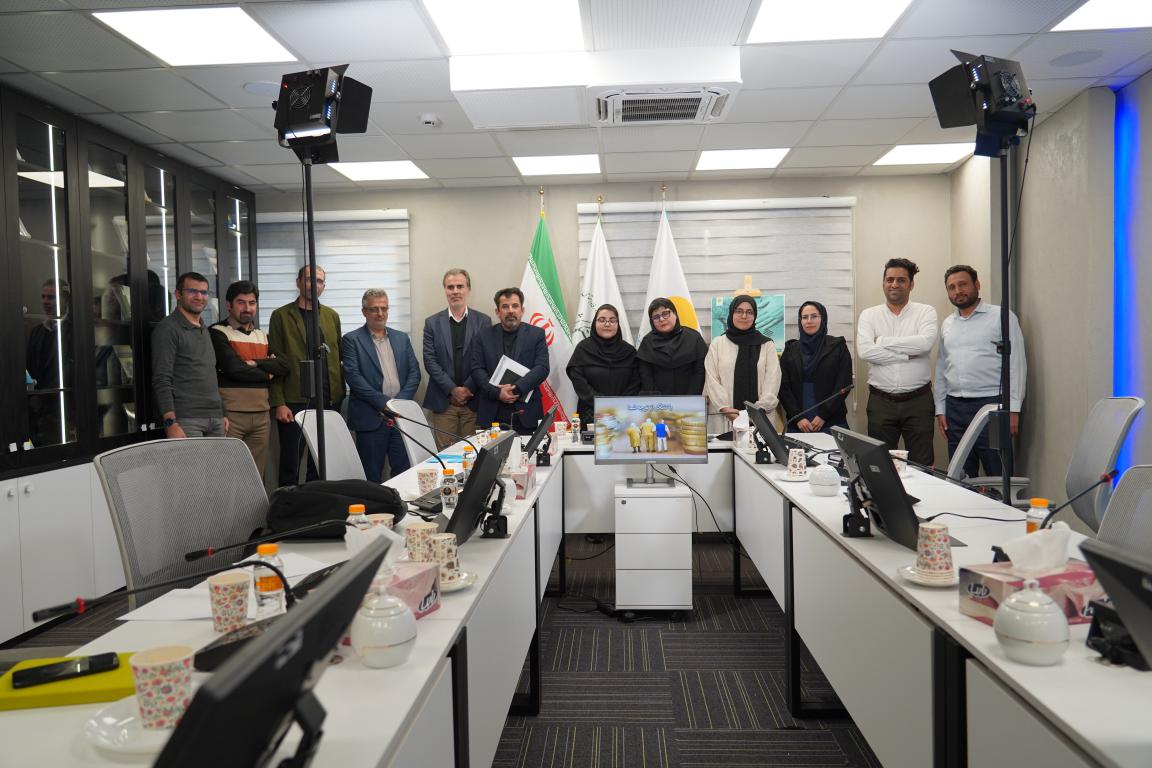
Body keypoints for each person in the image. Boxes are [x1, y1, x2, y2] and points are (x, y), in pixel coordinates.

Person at [934, 265, 1027, 477]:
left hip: (992, 405)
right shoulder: (948, 324)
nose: (958, 291)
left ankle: (1000, 501)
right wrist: (941, 408)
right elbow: (941, 367)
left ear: (977, 284)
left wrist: (1013, 409)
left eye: (963, 284)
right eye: (951, 287)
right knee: (960, 476)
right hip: (955, 408)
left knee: (998, 474)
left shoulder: (1001, 316)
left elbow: (1016, 364)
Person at [857, 258, 938, 465]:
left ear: (911, 284)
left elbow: (924, 344)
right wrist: (905, 355)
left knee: (921, 464)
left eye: (901, 280)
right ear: (883, 283)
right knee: (879, 463)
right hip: (881, 402)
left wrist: (882, 341)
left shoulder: (926, 311)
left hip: (918, 401)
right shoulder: (869, 315)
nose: (894, 284)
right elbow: (865, 351)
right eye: (890, 279)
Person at [268, 265, 344, 486]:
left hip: (328, 400)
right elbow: (276, 362)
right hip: (295, 401)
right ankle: (287, 505)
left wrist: (339, 396)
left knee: (320, 463)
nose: (314, 285)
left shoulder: (331, 316)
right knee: (291, 462)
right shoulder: (281, 316)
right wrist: (279, 403)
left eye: (319, 281)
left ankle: (314, 503)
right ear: (298, 282)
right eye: (310, 279)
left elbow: (337, 355)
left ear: (323, 287)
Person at [210, 280, 289, 475]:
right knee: (227, 474)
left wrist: (254, 363)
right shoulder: (218, 332)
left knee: (255, 475)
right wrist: (268, 371)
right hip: (231, 415)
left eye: (252, 303)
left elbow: (284, 365)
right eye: (241, 302)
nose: (247, 308)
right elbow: (234, 369)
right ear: (228, 305)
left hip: (262, 414)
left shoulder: (262, 336)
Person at [343, 289, 421, 481]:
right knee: (371, 476)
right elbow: (353, 377)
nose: (380, 313)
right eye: (374, 309)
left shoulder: (401, 338)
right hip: (370, 418)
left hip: (400, 417)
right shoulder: (352, 340)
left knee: (403, 473)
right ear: (364, 311)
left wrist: (397, 404)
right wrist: (384, 403)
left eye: (384, 308)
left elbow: (414, 373)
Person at [421, 268, 491, 449]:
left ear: (468, 289)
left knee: (476, 453)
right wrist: (452, 389)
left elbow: (485, 359)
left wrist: (467, 389)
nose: (455, 291)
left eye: (460, 286)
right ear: (445, 290)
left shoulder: (483, 321)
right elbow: (430, 360)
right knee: (446, 455)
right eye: (450, 287)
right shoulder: (432, 323)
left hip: (474, 399)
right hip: (444, 401)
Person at [152, 272, 227, 438]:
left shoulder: (203, 328)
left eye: (204, 292)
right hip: (187, 420)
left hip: (215, 418)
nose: (199, 297)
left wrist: (222, 412)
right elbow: (162, 379)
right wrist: (170, 423)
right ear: (178, 294)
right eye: (192, 291)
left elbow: (210, 373)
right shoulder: (168, 329)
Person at [470, 287, 550, 435]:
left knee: (529, 450)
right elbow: (476, 369)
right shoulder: (482, 336)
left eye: (515, 306)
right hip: (492, 412)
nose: (511, 310)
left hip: (527, 414)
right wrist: (497, 392)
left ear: (522, 310)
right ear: (497, 312)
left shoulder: (536, 334)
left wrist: (517, 389)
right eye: (505, 307)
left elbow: (542, 368)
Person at [704, 295, 780, 433]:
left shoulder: (767, 345)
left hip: (760, 419)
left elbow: (773, 381)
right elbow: (711, 380)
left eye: (749, 312)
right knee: (724, 447)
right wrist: (726, 409)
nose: (744, 316)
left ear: (754, 316)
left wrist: (755, 413)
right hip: (725, 417)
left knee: (758, 447)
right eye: (739, 311)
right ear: (731, 313)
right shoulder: (718, 344)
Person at [779, 301, 854, 434]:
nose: (809, 321)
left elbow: (843, 383)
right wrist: (798, 417)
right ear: (800, 321)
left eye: (814, 316)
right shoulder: (790, 349)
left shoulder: (838, 347)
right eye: (804, 317)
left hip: (831, 419)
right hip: (798, 422)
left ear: (823, 318)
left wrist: (823, 415)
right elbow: (783, 387)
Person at [565, 304, 640, 427]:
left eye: (612, 320)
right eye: (602, 320)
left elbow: (636, 382)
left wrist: (619, 405)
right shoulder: (583, 349)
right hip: (591, 414)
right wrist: (601, 403)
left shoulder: (629, 352)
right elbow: (579, 381)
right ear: (594, 323)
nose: (607, 324)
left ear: (618, 324)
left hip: (623, 414)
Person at [26, 278, 73, 447]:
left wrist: (42, 398)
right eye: (43, 297)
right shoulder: (36, 331)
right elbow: (28, 367)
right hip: (36, 413)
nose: (45, 301)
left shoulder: (76, 329)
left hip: (63, 410)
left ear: (65, 299)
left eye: (51, 297)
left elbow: (72, 370)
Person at [636, 298, 708, 396]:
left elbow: (699, 372)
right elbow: (646, 376)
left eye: (665, 313)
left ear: (675, 314)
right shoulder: (647, 343)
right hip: (658, 402)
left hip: (692, 399)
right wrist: (657, 400)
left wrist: (691, 398)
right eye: (656, 317)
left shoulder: (694, 338)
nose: (661, 319)